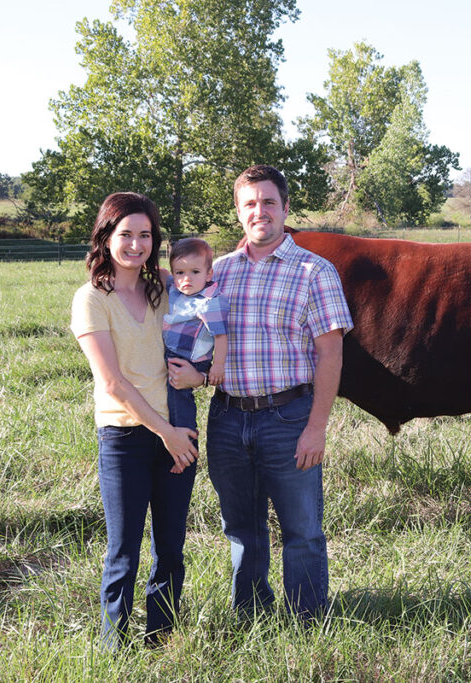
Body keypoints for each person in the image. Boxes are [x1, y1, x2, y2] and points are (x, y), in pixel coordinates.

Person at [168, 164, 353, 619]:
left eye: (269, 202)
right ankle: (250, 614)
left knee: (302, 529)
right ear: (238, 212)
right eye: (250, 203)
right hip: (228, 418)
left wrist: (316, 427)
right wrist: (197, 376)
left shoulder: (315, 271)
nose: (260, 211)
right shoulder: (218, 273)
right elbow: (198, 337)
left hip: (289, 417)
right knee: (240, 527)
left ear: (285, 208)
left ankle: (307, 620)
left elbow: (331, 355)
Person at [69, 192, 199, 649]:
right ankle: (114, 647)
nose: (136, 244)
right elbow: (113, 382)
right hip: (126, 437)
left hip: (179, 431)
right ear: (106, 238)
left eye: (145, 235)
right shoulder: (91, 299)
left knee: (171, 547)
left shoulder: (164, 287)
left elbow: (202, 331)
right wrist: (165, 434)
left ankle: (162, 638)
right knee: (123, 550)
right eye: (126, 234)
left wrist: (201, 376)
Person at [163, 237, 228, 473]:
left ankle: (185, 449)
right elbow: (163, 275)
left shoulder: (210, 302)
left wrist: (217, 367)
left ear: (209, 274)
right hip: (171, 352)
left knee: (179, 398)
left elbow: (221, 336)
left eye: (194, 272)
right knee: (164, 397)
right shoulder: (177, 291)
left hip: (192, 359)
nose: (186, 279)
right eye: (180, 272)